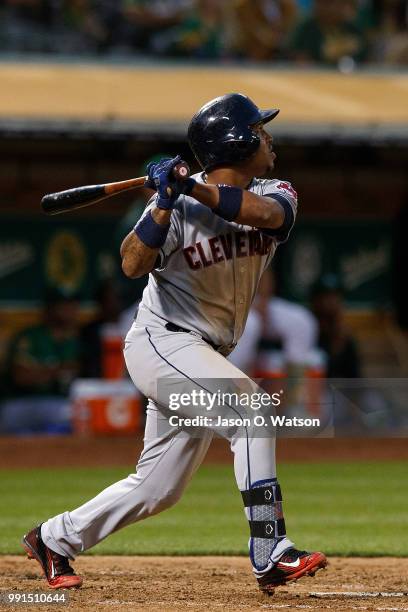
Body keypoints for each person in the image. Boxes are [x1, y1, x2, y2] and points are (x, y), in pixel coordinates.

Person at [22, 93, 327, 594]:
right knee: (249, 408)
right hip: (161, 343)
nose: (269, 139)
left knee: (158, 489)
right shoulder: (175, 203)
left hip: (205, 351)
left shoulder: (278, 189)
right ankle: (271, 549)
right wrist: (164, 201)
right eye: (260, 130)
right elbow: (131, 263)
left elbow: (265, 216)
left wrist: (191, 190)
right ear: (237, 141)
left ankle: (54, 537)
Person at [1, 288, 80, 433]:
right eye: (62, 305)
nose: (69, 310)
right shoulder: (30, 337)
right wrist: (58, 371)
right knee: (67, 413)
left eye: (72, 305)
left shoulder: (77, 341)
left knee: (75, 413)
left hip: (59, 404)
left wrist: (41, 371)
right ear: (49, 308)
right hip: (23, 402)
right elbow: (21, 377)